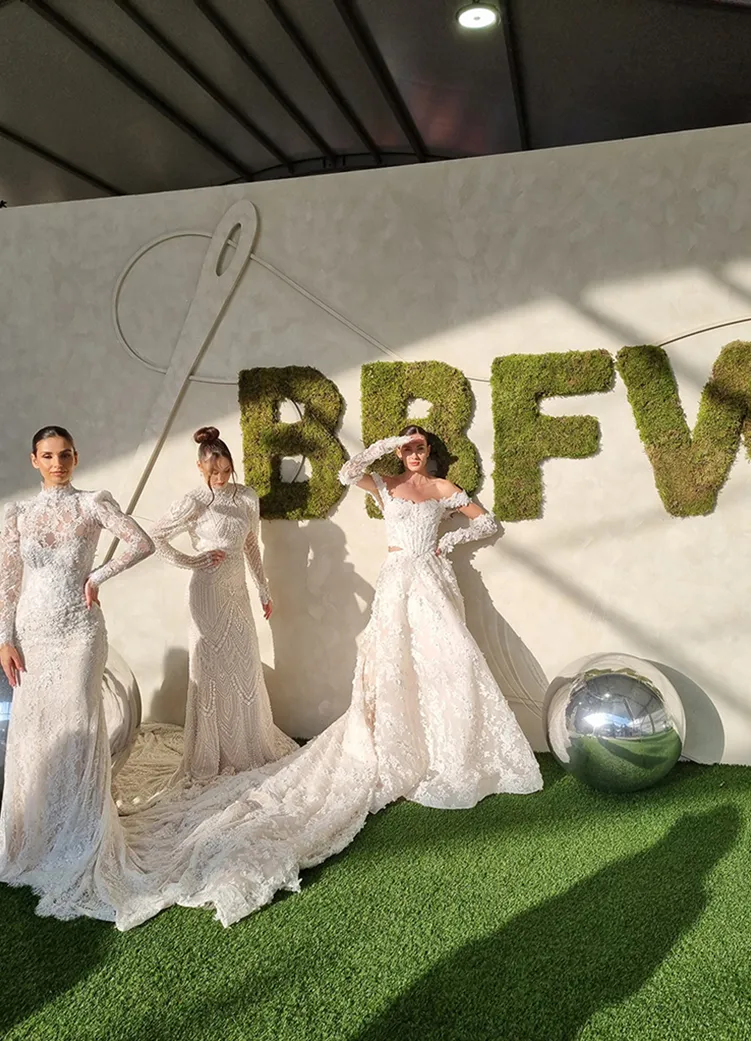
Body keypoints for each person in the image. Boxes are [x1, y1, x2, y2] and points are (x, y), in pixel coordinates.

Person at [0, 426, 154, 918]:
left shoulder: (92, 504)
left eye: (65, 455)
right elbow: (8, 581)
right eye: (48, 456)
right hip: (32, 635)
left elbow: (141, 542)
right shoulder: (18, 514)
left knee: (79, 723)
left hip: (78, 631)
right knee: (36, 730)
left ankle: (83, 831)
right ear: (34, 460)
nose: (58, 463)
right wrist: (4, 637)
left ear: (76, 457)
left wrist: (98, 575)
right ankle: (38, 832)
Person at [150, 427, 296, 781]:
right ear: (200, 467)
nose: (220, 478)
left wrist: (263, 590)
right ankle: (212, 750)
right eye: (213, 472)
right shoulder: (194, 501)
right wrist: (192, 560)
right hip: (206, 592)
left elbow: (251, 545)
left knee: (244, 663)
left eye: (226, 471)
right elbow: (155, 536)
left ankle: (249, 742)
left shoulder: (246, 497)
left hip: (237, 589)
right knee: (212, 667)